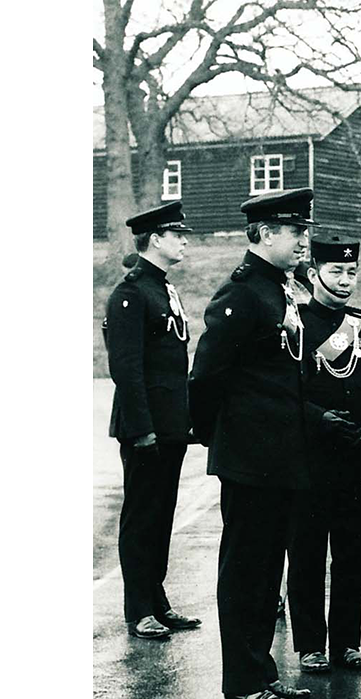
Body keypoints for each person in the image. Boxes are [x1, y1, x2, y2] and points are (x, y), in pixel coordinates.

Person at [189, 188, 316, 699]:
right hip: (251, 458)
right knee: (246, 572)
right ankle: (241, 682)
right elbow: (206, 374)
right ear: (264, 235)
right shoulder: (242, 294)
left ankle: (261, 671)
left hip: (279, 456)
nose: (304, 241)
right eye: (295, 232)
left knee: (267, 573)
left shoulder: (278, 289)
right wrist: (215, 437)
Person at [287, 234, 361, 674]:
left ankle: (348, 641)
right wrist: (318, 419)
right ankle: (311, 644)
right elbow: (283, 392)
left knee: (354, 557)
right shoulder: (295, 323)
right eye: (336, 271)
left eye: (351, 272)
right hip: (310, 459)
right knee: (308, 555)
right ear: (314, 274)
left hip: (357, 459)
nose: (345, 280)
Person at [102, 201, 203, 641]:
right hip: (144, 429)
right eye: (177, 234)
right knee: (142, 517)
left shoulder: (163, 288)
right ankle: (138, 608)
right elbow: (125, 368)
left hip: (169, 426)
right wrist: (142, 429)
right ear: (155, 239)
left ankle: (157, 600)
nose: (184, 240)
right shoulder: (131, 292)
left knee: (161, 515)